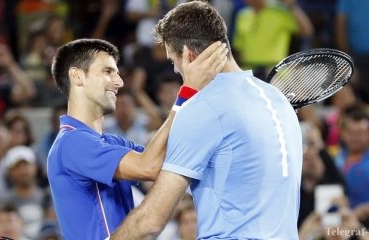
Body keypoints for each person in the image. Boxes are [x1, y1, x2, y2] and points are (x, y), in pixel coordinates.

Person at [111, 1, 303, 239]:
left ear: (189, 55)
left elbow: (151, 220)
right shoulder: (278, 98)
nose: (176, 71)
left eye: (174, 62)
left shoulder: (201, 108)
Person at [47, 38, 226, 239]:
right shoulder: (72, 142)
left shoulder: (113, 143)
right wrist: (188, 92)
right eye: (108, 72)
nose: (119, 82)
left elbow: (166, 161)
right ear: (77, 76)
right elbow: (148, 166)